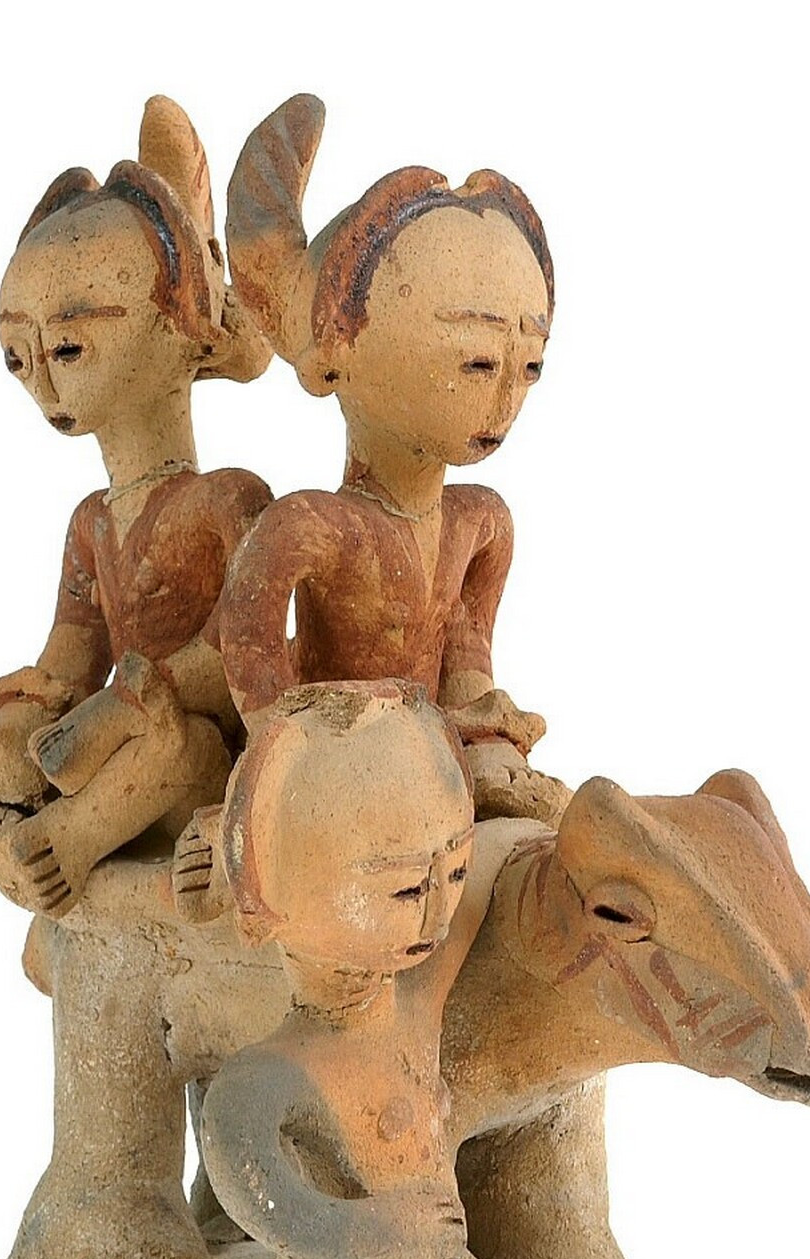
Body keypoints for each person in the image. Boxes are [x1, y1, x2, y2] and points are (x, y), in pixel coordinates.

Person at [198, 681, 582, 1259]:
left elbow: (490, 867)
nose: (436, 912)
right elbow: (246, 1170)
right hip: (372, 1258)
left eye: (450, 874)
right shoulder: (278, 1069)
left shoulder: (414, 994)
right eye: (405, 887)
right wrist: (357, 1239)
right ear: (263, 900)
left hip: (436, 1240)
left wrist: (535, 837)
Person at [0, 97, 272, 915]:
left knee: (175, 746)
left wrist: (132, 696)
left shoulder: (228, 500)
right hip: (110, 741)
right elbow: (68, 658)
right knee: (5, 752)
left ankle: (59, 843)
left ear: (183, 329)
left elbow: (248, 652)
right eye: (18, 355)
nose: (44, 380)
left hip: (202, 755)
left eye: (69, 346)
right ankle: (19, 831)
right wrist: (26, 717)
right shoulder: (91, 524)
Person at [217, 94, 568, 825]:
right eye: (476, 360)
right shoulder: (307, 527)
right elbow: (255, 670)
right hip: (337, 784)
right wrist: (304, 764)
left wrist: (481, 725)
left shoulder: (483, 523)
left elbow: (467, 663)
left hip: (433, 767)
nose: (505, 396)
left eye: (529, 363)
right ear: (330, 359)